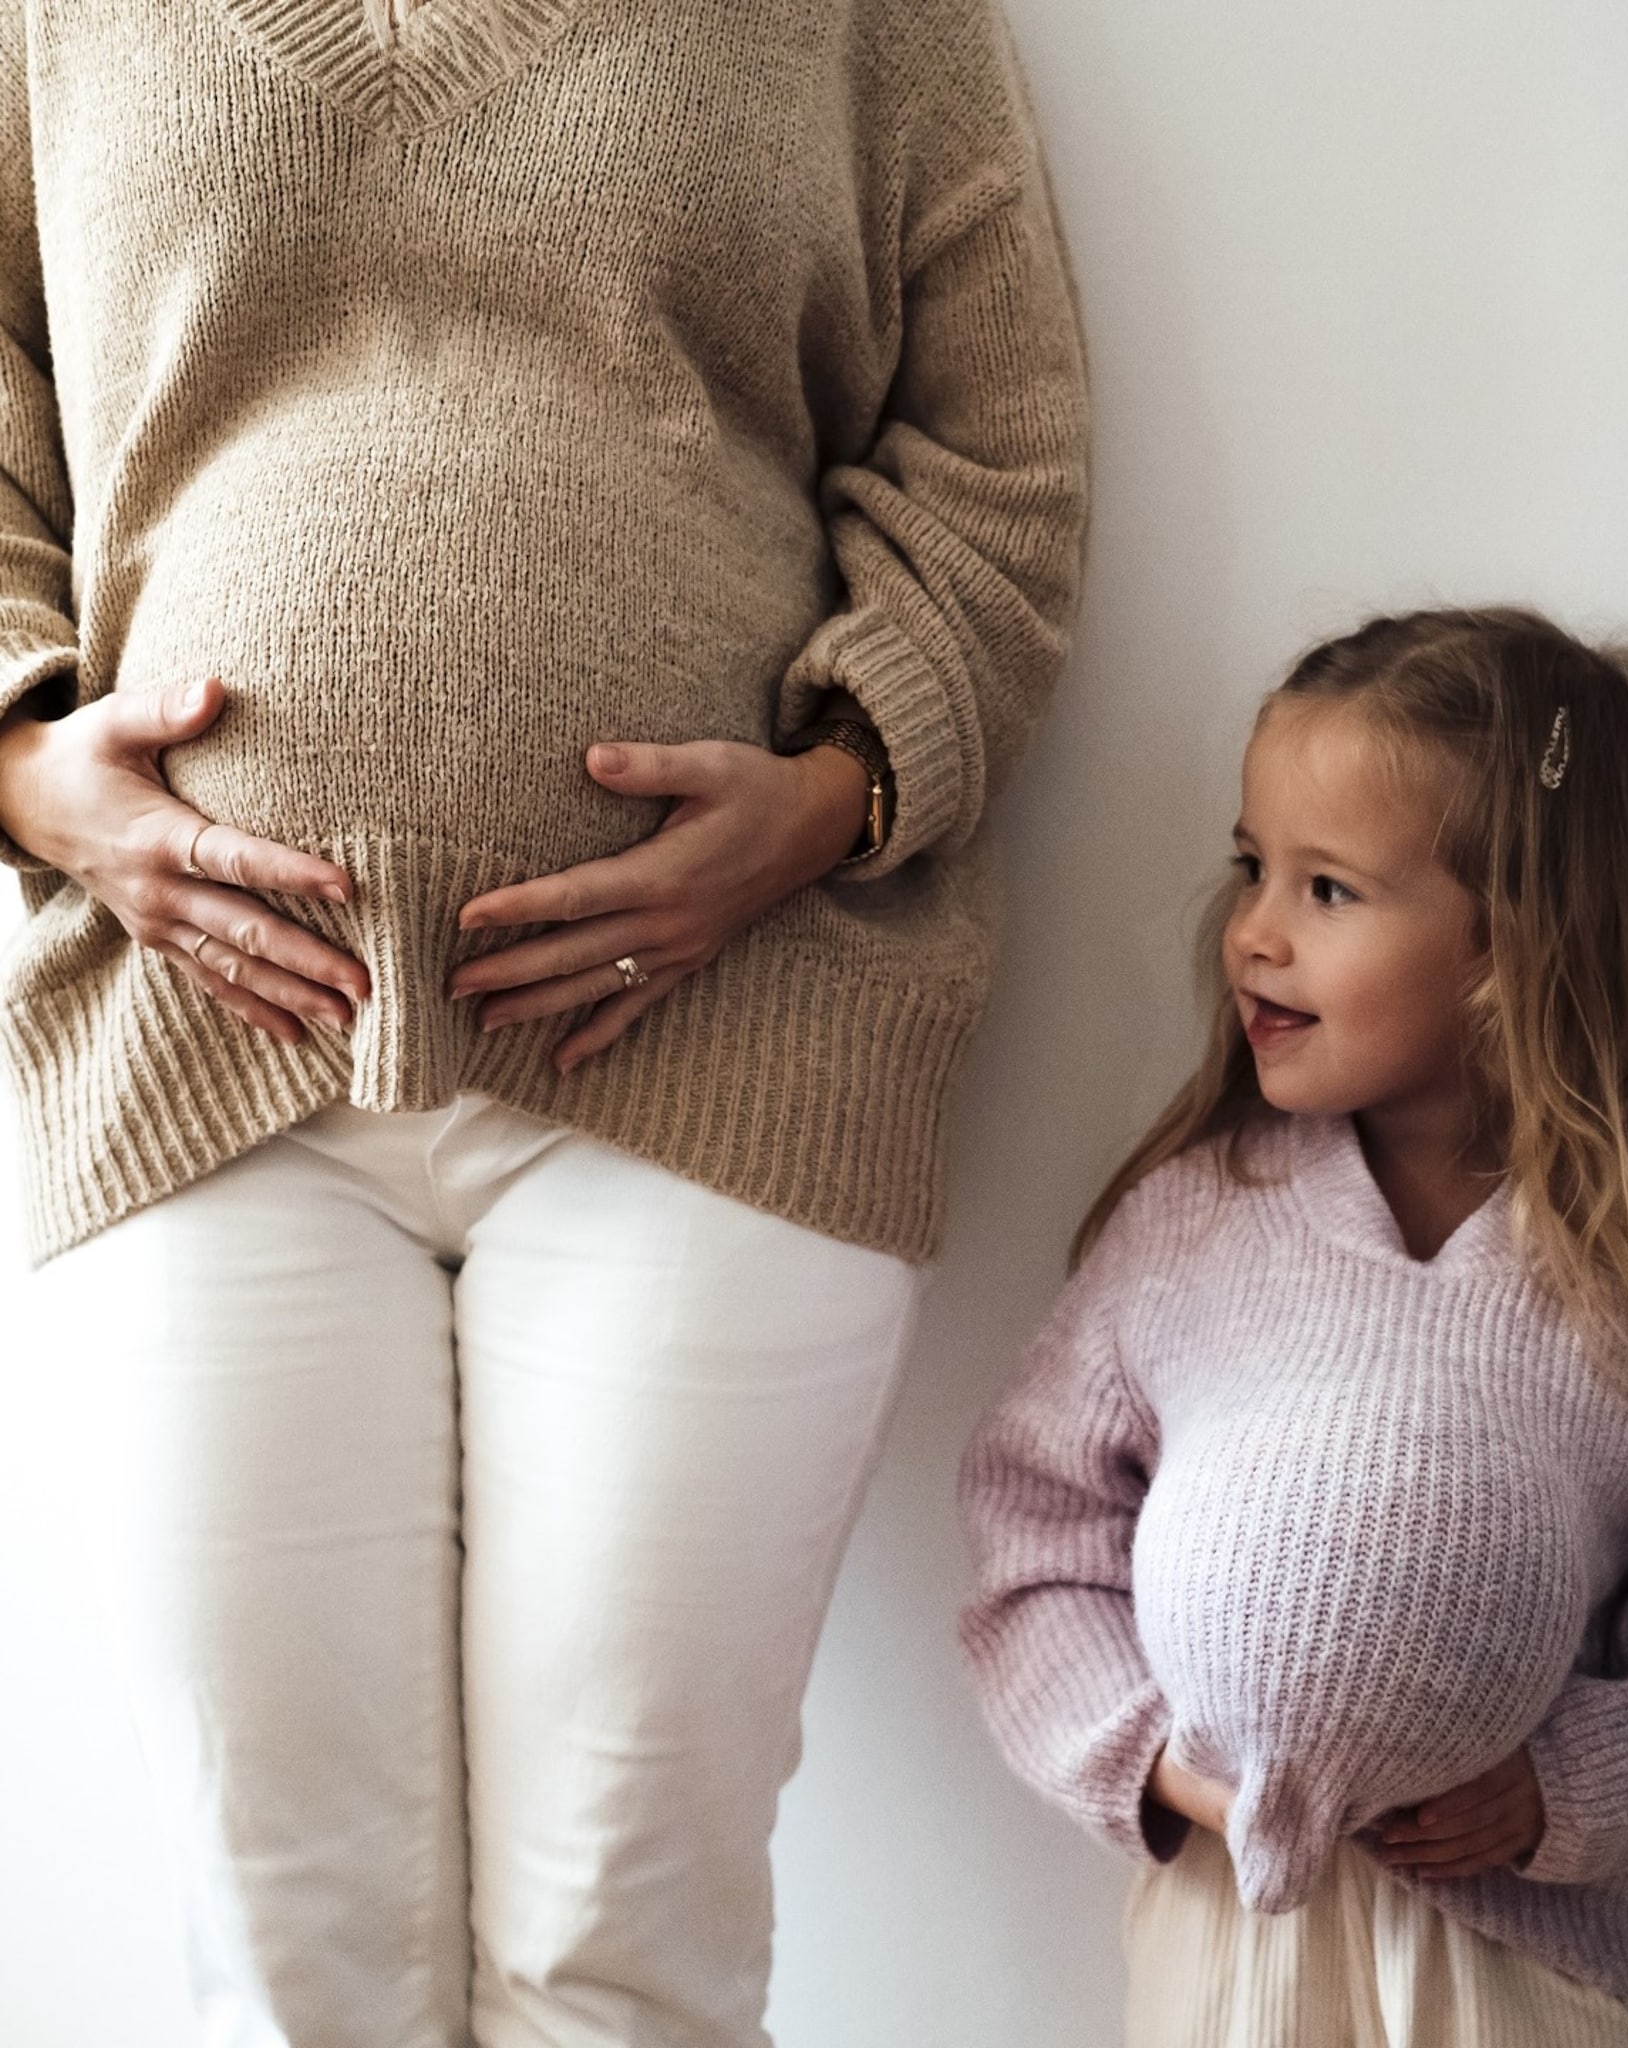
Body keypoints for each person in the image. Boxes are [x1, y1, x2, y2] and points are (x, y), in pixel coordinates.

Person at [0, 0, 1086, 2040]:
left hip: (726, 1052)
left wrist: (839, 787)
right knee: (290, 1954)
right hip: (193, 1053)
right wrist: (28, 761)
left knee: (622, 1954)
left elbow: (1002, 450)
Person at [958, 609, 1628, 2048]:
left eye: (1329, 890)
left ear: (1512, 940)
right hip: (1229, 1938)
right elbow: (1035, 1537)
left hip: (1508, 1959)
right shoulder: (1192, 1227)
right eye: (1254, 866)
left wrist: (1571, 1785)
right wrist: (1145, 1758)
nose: (1251, 929)